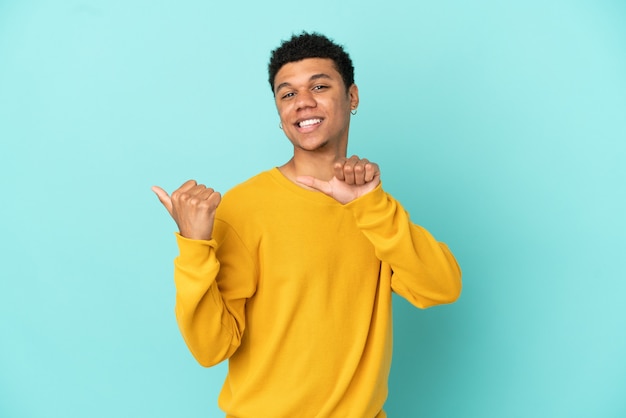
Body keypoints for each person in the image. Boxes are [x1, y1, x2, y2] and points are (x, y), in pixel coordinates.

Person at [152, 32, 462, 418]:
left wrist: (372, 207)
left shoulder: (373, 209)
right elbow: (211, 348)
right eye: (288, 94)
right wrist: (195, 244)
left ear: (352, 97)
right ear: (280, 114)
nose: (303, 103)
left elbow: (442, 287)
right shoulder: (245, 207)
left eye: (319, 86)